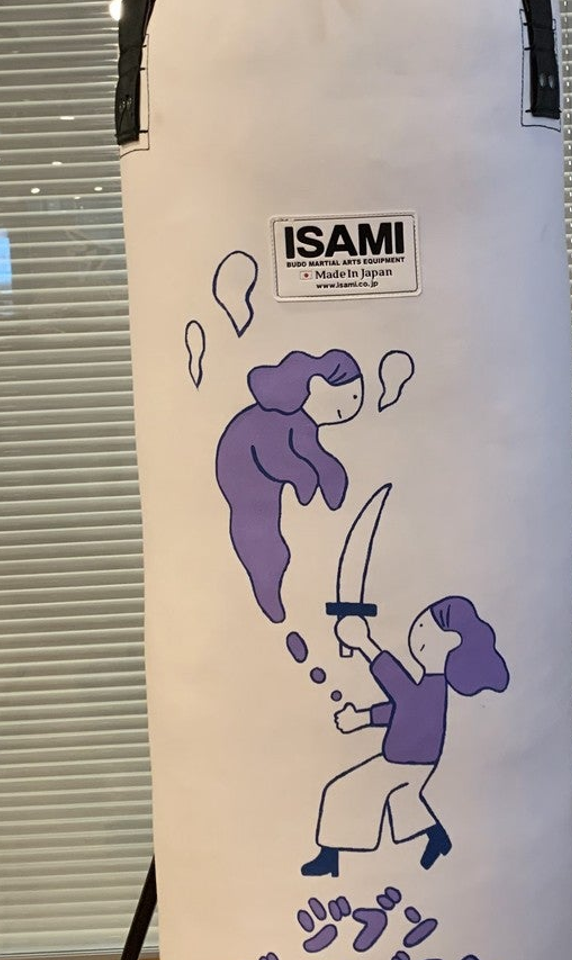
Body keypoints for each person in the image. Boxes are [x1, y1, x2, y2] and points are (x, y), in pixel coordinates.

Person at [301, 597, 509, 877]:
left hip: (403, 760)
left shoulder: (432, 684)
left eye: (423, 626)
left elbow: (402, 693)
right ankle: (437, 837)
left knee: (342, 790)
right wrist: (363, 717)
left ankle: (330, 857)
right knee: (403, 800)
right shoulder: (430, 685)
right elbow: (402, 709)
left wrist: (365, 643)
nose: (415, 632)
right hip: (417, 760)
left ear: (448, 642)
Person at [214, 349, 362, 623]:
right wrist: (301, 477)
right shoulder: (271, 420)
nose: (352, 406)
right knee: (263, 540)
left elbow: (312, 452)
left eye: (356, 396)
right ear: (317, 385)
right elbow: (273, 457)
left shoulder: (304, 422)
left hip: (263, 481)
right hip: (244, 476)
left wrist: (329, 477)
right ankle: (268, 589)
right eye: (350, 396)